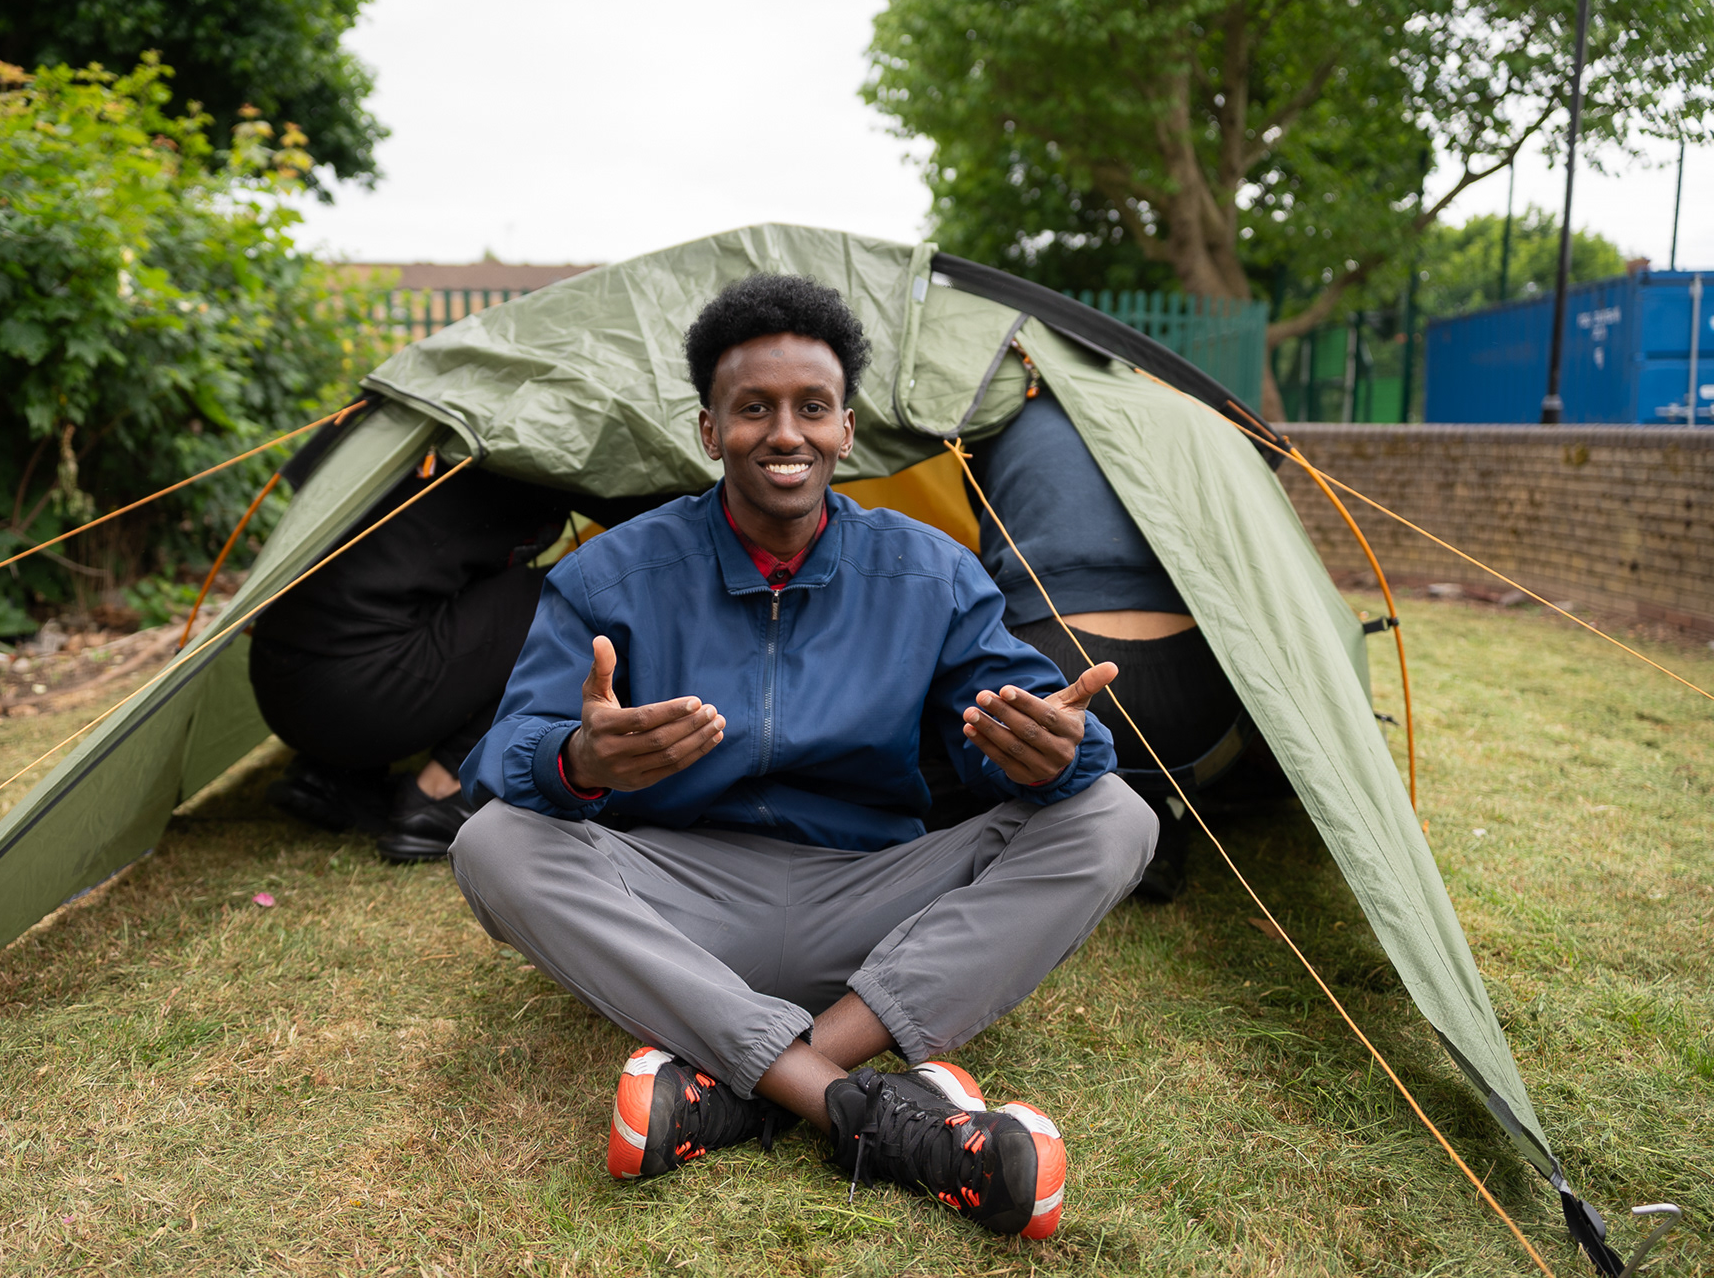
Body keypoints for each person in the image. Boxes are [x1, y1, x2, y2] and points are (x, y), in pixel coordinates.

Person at [451, 274, 1156, 1239]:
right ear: (710, 431)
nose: (786, 432)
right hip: (679, 905)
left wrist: (1053, 753)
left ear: (846, 429)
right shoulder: (611, 573)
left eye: (812, 407)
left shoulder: (931, 571)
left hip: (869, 900)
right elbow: (504, 755)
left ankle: (752, 1090)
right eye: (754, 408)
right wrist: (578, 758)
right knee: (493, 843)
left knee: (1115, 814)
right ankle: (858, 1110)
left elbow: (1023, 725)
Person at [249, 465, 658, 861]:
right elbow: (658, 515)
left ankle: (335, 775)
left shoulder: (429, 441)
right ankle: (439, 792)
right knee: (581, 589)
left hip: (276, 677)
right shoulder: (548, 452)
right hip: (361, 696)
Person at [965, 389, 1280, 900]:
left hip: (1055, 663)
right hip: (1208, 705)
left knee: (988, 695)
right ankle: (1169, 811)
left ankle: (1055, 819)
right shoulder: (1176, 408)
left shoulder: (991, 413)